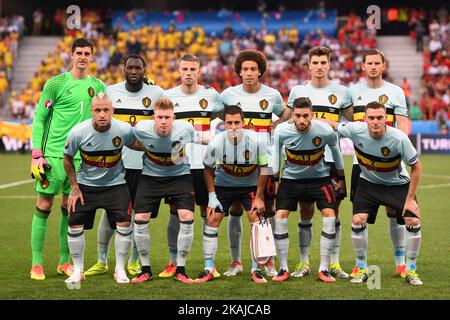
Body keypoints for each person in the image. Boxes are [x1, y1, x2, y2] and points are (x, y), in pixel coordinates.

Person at [30, 38, 105, 280]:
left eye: (87, 53)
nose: (83, 56)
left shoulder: (98, 86)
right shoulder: (55, 84)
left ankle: (64, 262)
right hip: (52, 155)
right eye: (79, 52)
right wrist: (36, 155)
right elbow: (40, 117)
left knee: (69, 208)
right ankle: (36, 263)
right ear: (71, 55)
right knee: (44, 206)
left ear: (92, 57)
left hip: (80, 160)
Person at [84, 54, 164, 278]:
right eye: (131, 67)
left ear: (145, 70)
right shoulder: (110, 92)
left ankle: (134, 261)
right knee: (110, 213)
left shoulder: (157, 93)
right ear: (124, 69)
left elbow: (165, 120)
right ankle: (101, 260)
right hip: (115, 163)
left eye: (139, 68)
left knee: (140, 215)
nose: (135, 71)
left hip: (145, 165)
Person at [334, 101, 423, 286]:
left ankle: (411, 270)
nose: (375, 122)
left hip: (397, 184)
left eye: (379, 118)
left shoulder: (399, 138)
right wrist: (308, 119)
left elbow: (416, 167)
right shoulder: (354, 129)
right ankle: (362, 268)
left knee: (413, 220)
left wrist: (409, 200)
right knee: (358, 220)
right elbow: (332, 124)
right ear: (365, 119)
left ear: (386, 119)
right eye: (371, 118)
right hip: (369, 183)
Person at [220, 49, 291, 277]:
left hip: (265, 163)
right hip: (236, 162)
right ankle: (236, 261)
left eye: (253, 69)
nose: (249, 73)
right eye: (245, 69)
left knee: (265, 211)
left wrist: (277, 124)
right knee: (234, 210)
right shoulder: (228, 95)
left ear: (260, 71)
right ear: (239, 72)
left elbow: (286, 114)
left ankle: (267, 261)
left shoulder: (272, 95)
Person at [286, 46, 352, 279]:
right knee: (305, 211)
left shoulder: (342, 92)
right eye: (315, 62)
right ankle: (304, 262)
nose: (319, 66)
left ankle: (334, 263)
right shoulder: (297, 91)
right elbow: (286, 121)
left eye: (323, 62)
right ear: (309, 65)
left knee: (333, 210)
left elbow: (354, 123)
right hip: (304, 161)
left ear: (329, 64)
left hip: (332, 160)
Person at [63, 93, 141, 284]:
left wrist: (159, 143)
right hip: (86, 187)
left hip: (115, 185)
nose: (102, 114)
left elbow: (138, 144)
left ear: (112, 111)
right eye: (98, 110)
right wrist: (74, 186)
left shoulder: (123, 129)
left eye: (106, 110)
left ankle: (120, 270)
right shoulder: (78, 132)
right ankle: (78, 270)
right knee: (74, 225)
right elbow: (67, 158)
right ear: (91, 112)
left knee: (125, 224)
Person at [348, 49, 410, 279]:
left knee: (395, 211)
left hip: (391, 160)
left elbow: (403, 124)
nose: (373, 66)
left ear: (384, 66)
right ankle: (360, 265)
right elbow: (349, 122)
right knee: (359, 214)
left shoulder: (395, 92)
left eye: (377, 63)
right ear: (363, 66)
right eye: (369, 63)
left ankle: (400, 262)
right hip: (361, 163)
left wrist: (399, 149)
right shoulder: (352, 92)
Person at [161, 54, 224, 279]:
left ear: (199, 71)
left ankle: (210, 264)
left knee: (208, 211)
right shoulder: (168, 96)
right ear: (179, 71)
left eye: (192, 69)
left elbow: (220, 116)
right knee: (175, 211)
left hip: (205, 162)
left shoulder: (211, 95)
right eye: (185, 69)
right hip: (178, 162)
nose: (188, 73)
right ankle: (172, 261)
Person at [272, 97, 345, 283]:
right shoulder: (282, 130)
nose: (302, 120)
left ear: (312, 115)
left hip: (320, 179)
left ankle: (324, 268)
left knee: (330, 215)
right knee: (280, 217)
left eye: (306, 116)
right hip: (291, 179)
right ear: (293, 116)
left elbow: (336, 152)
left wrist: (342, 178)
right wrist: (276, 180)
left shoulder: (325, 130)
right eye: (298, 116)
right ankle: (283, 268)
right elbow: (275, 155)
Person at [131, 97, 204, 284]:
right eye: (160, 117)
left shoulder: (185, 129)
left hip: (180, 176)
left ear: (174, 117)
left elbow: (200, 139)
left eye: (167, 117)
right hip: (150, 177)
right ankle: (145, 270)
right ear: (153, 117)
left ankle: (181, 269)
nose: (163, 121)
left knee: (187, 217)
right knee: (139, 219)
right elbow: (126, 139)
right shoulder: (141, 129)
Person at [196, 105, 269, 283]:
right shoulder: (216, 142)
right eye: (230, 123)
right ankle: (208, 268)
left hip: (249, 186)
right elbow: (207, 169)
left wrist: (259, 197)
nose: (234, 126)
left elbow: (265, 168)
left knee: (256, 218)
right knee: (212, 218)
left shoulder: (257, 141)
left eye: (237, 122)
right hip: (224, 185)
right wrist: (212, 197)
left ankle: (255, 270)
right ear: (224, 124)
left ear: (244, 124)